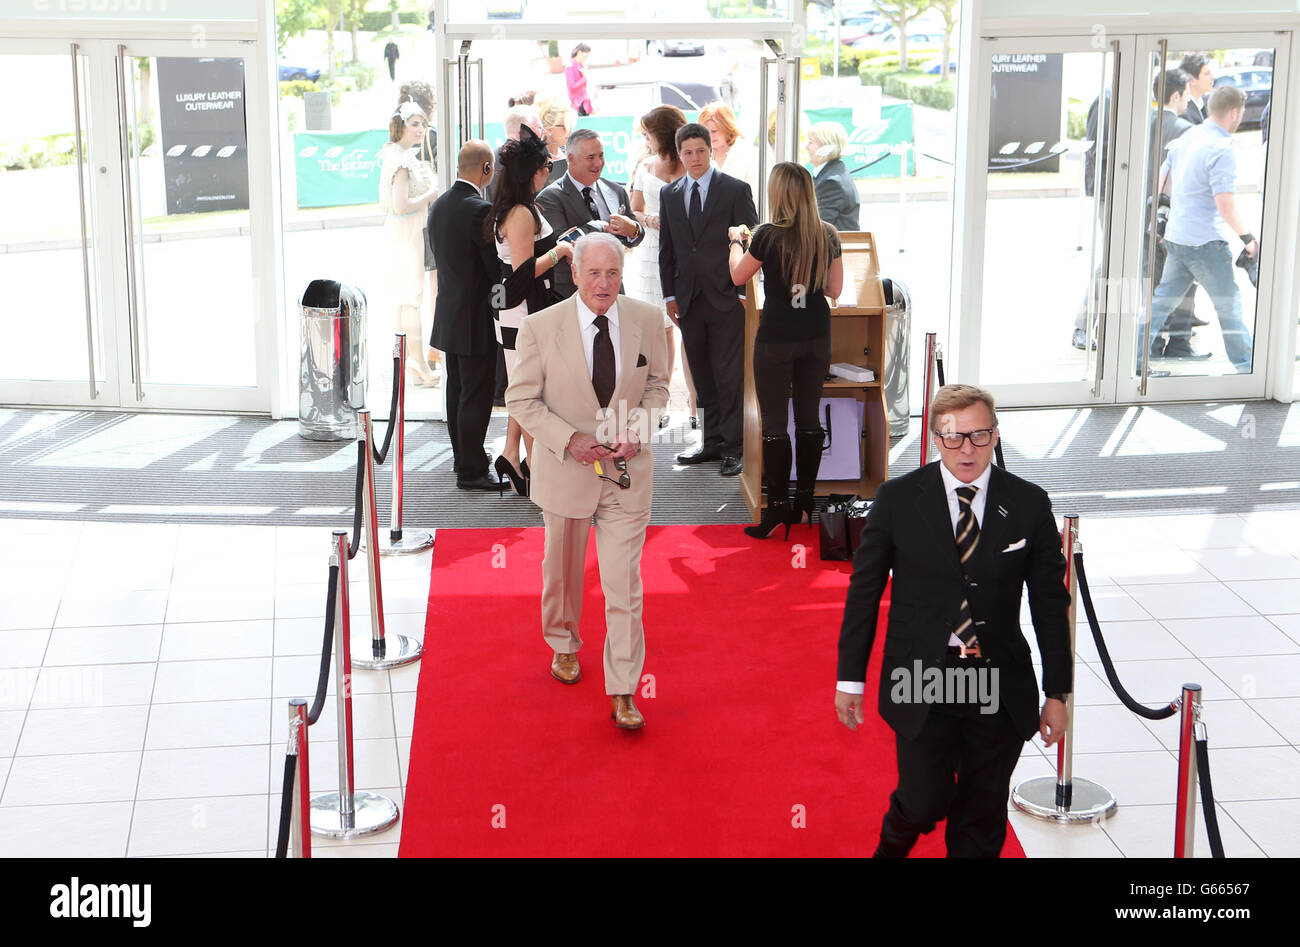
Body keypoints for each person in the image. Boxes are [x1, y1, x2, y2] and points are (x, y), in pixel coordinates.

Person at [835, 384, 1072, 858]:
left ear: (996, 435)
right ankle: (892, 845)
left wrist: (1057, 692)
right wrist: (850, 679)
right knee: (923, 800)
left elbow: (1050, 603)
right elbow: (864, 592)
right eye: (954, 437)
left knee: (982, 817)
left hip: (996, 681)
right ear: (935, 438)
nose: (967, 450)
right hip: (924, 675)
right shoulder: (898, 499)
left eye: (979, 436)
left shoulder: (1028, 503)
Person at [505, 233, 670, 729]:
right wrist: (568, 439)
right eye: (594, 273)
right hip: (565, 469)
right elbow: (521, 399)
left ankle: (622, 688)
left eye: (613, 273)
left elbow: (659, 386)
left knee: (625, 584)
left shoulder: (646, 319)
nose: (604, 283)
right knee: (563, 570)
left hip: (626, 475)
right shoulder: (539, 327)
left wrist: (637, 431)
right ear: (573, 274)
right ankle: (563, 640)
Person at [727, 162, 844, 539]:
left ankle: (776, 507)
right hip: (815, 335)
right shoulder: (827, 234)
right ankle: (806, 503)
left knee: (776, 426)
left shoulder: (766, 236)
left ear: (778, 194)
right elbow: (834, 289)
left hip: (777, 337)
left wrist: (735, 243)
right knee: (809, 421)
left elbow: (738, 276)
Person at [658, 122, 758, 477]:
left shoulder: (735, 189)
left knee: (729, 374)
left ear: (711, 151)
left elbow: (752, 245)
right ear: (680, 155)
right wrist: (669, 293)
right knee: (701, 374)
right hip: (687, 299)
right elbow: (666, 249)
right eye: (688, 152)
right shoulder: (670, 195)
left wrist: (745, 294)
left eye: (701, 151)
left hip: (728, 298)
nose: (695, 158)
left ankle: (734, 446)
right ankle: (712, 441)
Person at [1143, 84, 1258, 374]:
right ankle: (1248, 366)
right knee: (1229, 305)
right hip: (1205, 242)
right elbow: (1225, 204)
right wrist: (1248, 238)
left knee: (1160, 304)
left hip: (1178, 237)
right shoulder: (1221, 148)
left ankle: (1130, 358)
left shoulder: (1189, 136)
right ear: (1235, 112)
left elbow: (1161, 180)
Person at [487, 125, 573, 496]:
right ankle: (536, 473)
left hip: (523, 309)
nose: (548, 172)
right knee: (531, 394)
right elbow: (521, 275)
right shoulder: (521, 214)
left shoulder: (522, 209)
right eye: (544, 166)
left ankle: (515, 457)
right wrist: (560, 252)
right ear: (531, 171)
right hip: (521, 311)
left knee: (528, 391)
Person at [428, 141, 501, 492]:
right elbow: (493, 268)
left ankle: (464, 457)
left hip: (449, 312)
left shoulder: (439, 205)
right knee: (476, 393)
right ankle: (471, 470)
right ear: (486, 169)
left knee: (457, 390)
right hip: (475, 316)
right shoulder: (479, 209)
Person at [629, 106, 697, 431]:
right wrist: (653, 220)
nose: (646, 138)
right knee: (660, 329)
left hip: (686, 253)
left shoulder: (691, 162)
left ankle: (696, 403)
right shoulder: (645, 165)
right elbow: (635, 211)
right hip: (651, 252)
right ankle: (662, 400)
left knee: (691, 327)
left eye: (649, 132)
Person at [535, 127, 645, 301]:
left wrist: (633, 229)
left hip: (613, 293)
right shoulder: (549, 198)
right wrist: (601, 226)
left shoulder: (615, 190)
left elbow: (637, 236)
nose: (598, 163)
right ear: (571, 159)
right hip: (570, 294)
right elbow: (562, 243)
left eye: (601, 156)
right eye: (590, 157)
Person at [378, 98, 440, 388]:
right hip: (407, 233)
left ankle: (411, 364)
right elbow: (401, 205)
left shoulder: (399, 155)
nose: (420, 129)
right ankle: (417, 366)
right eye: (415, 124)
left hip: (407, 232)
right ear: (402, 125)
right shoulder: (401, 160)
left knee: (407, 300)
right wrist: (430, 194)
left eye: (423, 124)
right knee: (412, 298)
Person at [1144, 68, 1205, 361]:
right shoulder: (1185, 130)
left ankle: (1153, 344)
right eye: (1186, 96)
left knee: (1156, 283)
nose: (1187, 102)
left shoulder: (1142, 125)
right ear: (1176, 95)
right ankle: (1179, 343)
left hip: (1146, 216)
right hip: (1175, 217)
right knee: (1185, 280)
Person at [396, 81, 443, 376]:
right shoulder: (430, 136)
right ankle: (432, 350)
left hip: (404, 224)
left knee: (406, 294)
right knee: (433, 288)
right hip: (428, 218)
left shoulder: (397, 141)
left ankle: (407, 356)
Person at [806, 122, 861, 232]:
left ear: (825, 146)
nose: (806, 147)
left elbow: (816, 226)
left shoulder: (831, 183)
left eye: (811, 142)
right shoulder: (832, 174)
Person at [698, 101, 759, 196]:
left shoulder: (748, 154)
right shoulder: (701, 156)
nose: (710, 136)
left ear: (727, 127)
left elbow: (756, 194)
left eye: (714, 131)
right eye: (705, 132)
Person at [535, 97, 573, 186]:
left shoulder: (569, 152)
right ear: (549, 130)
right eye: (564, 126)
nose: (570, 131)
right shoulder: (535, 159)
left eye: (570, 126)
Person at [1179, 53, 1215, 124]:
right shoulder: (1183, 111)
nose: (1212, 77)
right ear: (1192, 80)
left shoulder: (1208, 102)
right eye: (1207, 73)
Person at [566, 43, 594, 116]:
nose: (586, 59)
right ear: (579, 53)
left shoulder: (580, 65)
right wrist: (585, 78)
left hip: (584, 102)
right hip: (577, 104)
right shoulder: (570, 66)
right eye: (585, 56)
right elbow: (572, 87)